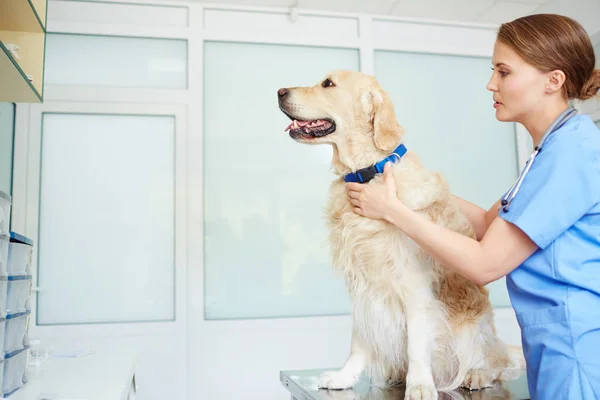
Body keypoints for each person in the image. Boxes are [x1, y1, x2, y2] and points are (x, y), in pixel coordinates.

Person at [346, 13, 600, 400]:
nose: (491, 83)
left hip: (577, 351)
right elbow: (486, 224)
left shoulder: (571, 153)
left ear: (554, 80)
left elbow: (485, 263)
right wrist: (411, 177)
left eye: (504, 72)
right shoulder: (550, 150)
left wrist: (394, 210)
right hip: (556, 347)